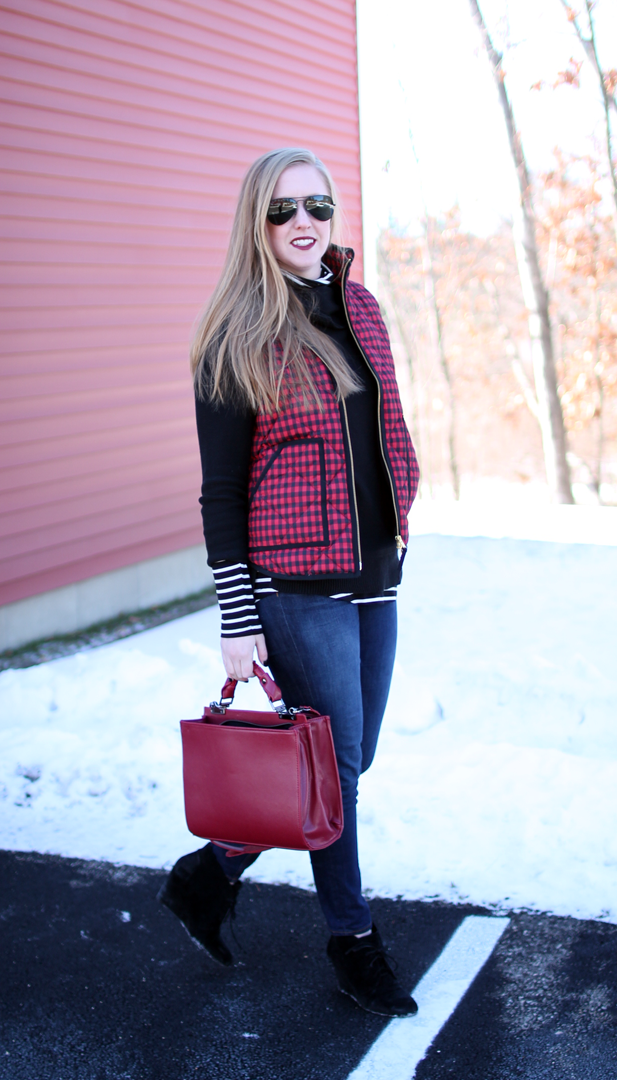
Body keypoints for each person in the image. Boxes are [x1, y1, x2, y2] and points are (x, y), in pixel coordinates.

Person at [158, 148, 420, 1018]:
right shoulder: (234, 335)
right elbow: (221, 493)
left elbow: (383, 434)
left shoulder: (364, 309)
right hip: (294, 586)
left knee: (349, 760)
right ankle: (353, 943)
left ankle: (212, 870)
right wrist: (240, 617)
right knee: (336, 773)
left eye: (317, 205)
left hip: (374, 575)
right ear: (255, 225)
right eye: (281, 211)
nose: (303, 223)